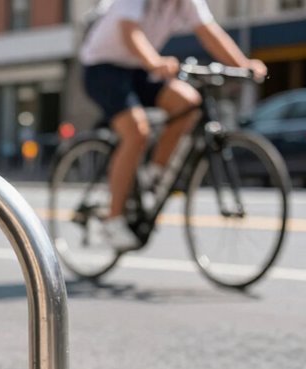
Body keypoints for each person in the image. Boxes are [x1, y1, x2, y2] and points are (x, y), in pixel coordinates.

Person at [79, 0, 266, 250]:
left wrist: (243, 65)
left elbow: (209, 31)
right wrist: (154, 61)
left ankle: (153, 176)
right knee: (136, 131)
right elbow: (128, 30)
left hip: (139, 68)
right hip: (103, 67)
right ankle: (112, 221)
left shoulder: (186, 2)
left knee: (188, 102)